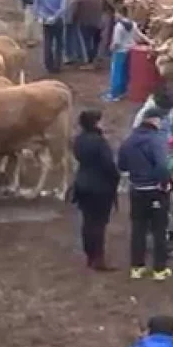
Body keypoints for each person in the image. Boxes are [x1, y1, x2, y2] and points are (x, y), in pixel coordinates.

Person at [118, 107, 173, 281]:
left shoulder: (129, 140)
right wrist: (165, 183)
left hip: (136, 190)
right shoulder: (157, 140)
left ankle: (137, 267)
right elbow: (162, 165)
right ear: (155, 120)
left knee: (138, 229)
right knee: (159, 230)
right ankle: (159, 269)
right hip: (155, 191)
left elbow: (122, 165)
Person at [71, 109, 120, 272]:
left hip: (82, 183)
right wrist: (115, 177)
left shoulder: (78, 140)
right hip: (100, 187)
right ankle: (98, 258)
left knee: (87, 221)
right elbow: (108, 165)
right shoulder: (99, 142)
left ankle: (90, 255)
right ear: (95, 123)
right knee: (99, 223)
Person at [33, 0, 68, 73]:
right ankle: (58, 65)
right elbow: (63, 8)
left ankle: (48, 65)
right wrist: (54, 17)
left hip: (45, 20)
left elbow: (36, 8)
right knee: (59, 43)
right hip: (58, 21)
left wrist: (40, 17)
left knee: (47, 42)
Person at [105, 8, 137, 101]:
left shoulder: (119, 26)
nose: (115, 15)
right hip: (130, 50)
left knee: (116, 73)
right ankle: (123, 91)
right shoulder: (133, 24)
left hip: (119, 52)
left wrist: (111, 48)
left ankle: (114, 94)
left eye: (116, 13)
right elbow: (138, 36)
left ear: (120, 14)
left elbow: (117, 42)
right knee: (125, 72)